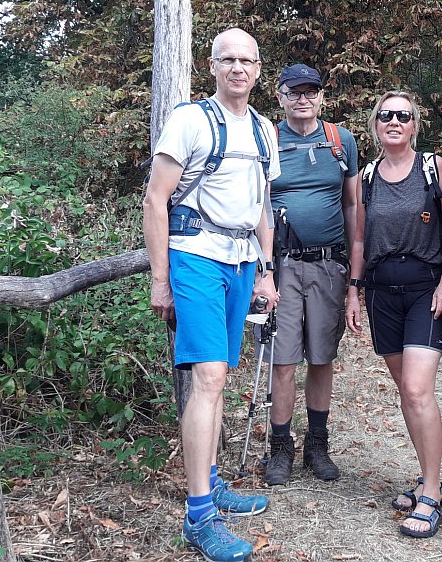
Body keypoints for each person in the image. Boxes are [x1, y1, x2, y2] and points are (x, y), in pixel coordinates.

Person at [143, 28, 280, 562]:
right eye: (228, 59)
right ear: (212, 65)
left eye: (247, 60)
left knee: (218, 377)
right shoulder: (190, 120)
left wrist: (267, 270)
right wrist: (160, 279)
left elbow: (263, 205)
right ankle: (199, 514)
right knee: (209, 377)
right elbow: (156, 200)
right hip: (196, 255)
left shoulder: (265, 129)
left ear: (259, 69)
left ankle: (213, 482)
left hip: (242, 260)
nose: (238, 68)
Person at [345, 91, 442, 538]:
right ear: (375, 124)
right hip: (381, 291)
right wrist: (353, 292)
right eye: (386, 115)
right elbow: (358, 239)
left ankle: (431, 494)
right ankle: (430, 478)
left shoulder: (433, 168)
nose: (394, 121)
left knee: (416, 388)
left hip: (426, 288)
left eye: (402, 116)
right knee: (406, 392)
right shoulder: (366, 177)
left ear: (414, 125)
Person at [262, 63, 359, 485]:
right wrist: (263, 269)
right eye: (293, 92)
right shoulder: (267, 139)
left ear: (321, 96)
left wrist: (354, 271)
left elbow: (353, 205)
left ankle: (317, 445)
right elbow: (258, 205)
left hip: (328, 264)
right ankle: (280, 448)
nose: (302, 99)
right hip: (281, 266)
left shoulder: (341, 141)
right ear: (280, 97)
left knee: (322, 358)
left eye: (310, 91)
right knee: (283, 361)